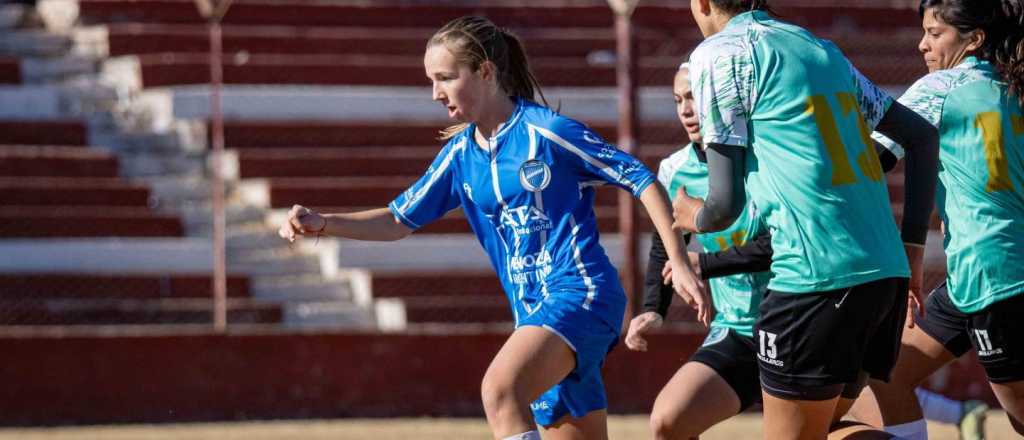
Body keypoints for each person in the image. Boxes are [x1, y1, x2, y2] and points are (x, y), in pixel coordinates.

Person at [277, 15, 708, 440]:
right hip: (532, 313)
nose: (434, 93)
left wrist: (678, 262)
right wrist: (324, 224)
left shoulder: (548, 133)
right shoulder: (459, 155)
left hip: (582, 294)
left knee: (500, 390)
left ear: (485, 71)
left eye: (445, 77)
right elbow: (395, 220)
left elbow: (641, 179)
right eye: (431, 80)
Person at [673, 0, 941, 438]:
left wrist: (691, 216)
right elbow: (921, 135)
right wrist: (912, 248)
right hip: (884, 274)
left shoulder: (719, 52)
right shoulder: (821, 49)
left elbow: (724, 206)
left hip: (815, 278)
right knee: (827, 428)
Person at [856, 1, 1024, 438]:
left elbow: (868, 161)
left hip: (995, 275)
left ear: (974, 39)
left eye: (935, 33)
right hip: (977, 276)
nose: (922, 44)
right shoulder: (1014, 84)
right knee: (884, 369)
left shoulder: (940, 88)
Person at [624, 61, 770, 440]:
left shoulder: (764, 161)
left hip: (793, 325)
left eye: (694, 97)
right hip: (736, 330)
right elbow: (666, 245)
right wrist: (654, 309)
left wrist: (704, 264)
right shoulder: (676, 169)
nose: (686, 110)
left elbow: (782, 246)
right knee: (669, 421)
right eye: (678, 100)